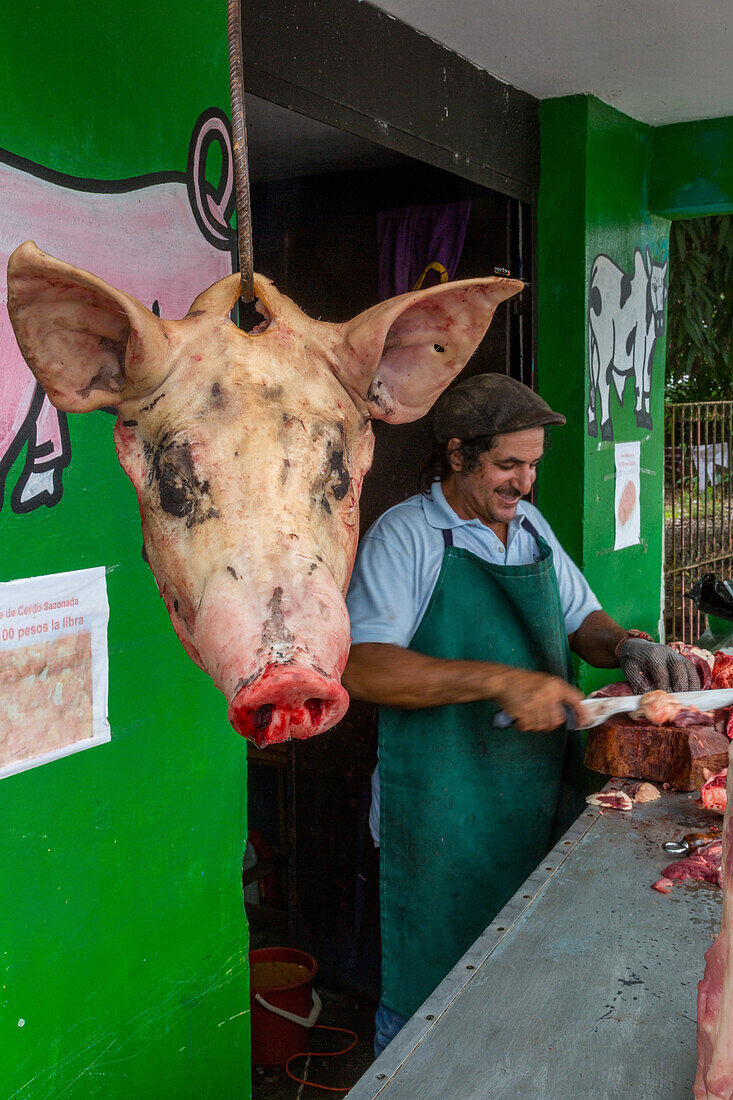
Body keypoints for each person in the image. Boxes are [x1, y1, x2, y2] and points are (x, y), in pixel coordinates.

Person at [342, 373, 698, 1056]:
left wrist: (627, 645)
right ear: (456, 455)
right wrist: (497, 680)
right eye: (508, 465)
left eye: (532, 465)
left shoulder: (527, 526)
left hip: (532, 794)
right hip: (440, 812)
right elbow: (363, 665)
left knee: (518, 990)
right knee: (428, 1011)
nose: (524, 483)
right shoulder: (406, 537)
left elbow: (580, 620)